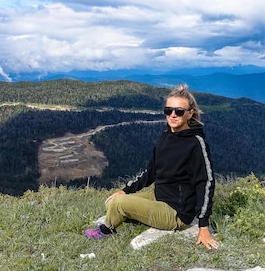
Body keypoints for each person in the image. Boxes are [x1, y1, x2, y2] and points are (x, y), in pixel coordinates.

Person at [85, 84, 219, 250]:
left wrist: (203, 226)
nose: (172, 115)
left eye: (179, 111)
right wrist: (126, 190)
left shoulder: (196, 143)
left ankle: (107, 230)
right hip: (160, 195)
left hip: (176, 212)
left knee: (118, 204)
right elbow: (152, 171)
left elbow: (206, 183)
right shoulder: (167, 135)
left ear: (190, 113)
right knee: (112, 201)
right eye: (168, 110)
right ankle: (130, 214)